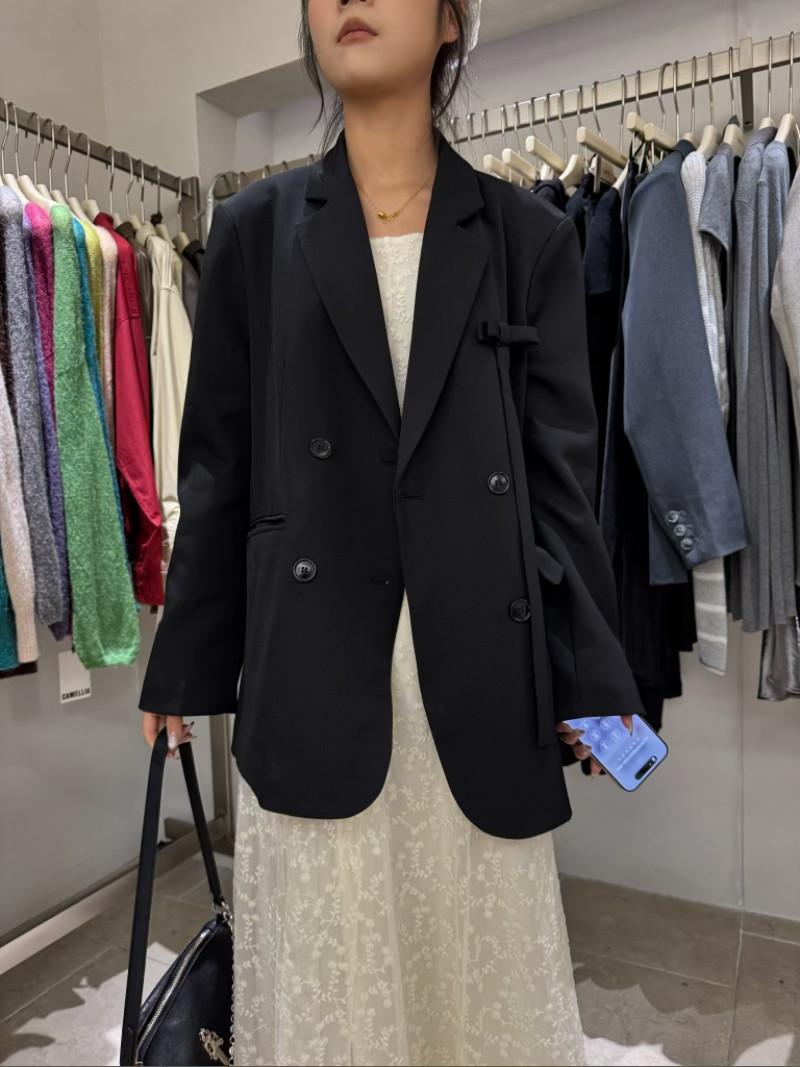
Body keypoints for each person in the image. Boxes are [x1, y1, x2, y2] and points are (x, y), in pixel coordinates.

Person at [141, 1, 641, 1063]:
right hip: (313, 673)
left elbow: (560, 480)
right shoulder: (256, 232)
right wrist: (181, 665)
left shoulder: (528, 238)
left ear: (454, 21)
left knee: (475, 993)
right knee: (337, 996)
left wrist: (593, 684)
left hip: (480, 674)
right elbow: (219, 469)